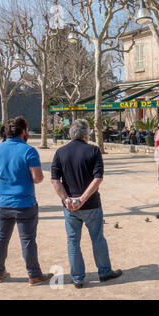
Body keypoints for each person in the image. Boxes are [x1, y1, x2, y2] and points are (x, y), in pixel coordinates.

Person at [51, 119, 122, 289]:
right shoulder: (93, 150)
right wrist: (83, 198)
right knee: (97, 238)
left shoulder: (60, 152)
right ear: (86, 134)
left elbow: (55, 180)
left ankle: (77, 277)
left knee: (73, 240)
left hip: (69, 206)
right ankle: (104, 272)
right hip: (91, 205)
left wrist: (66, 199)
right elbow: (98, 178)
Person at [0, 117, 53, 285]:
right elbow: (37, 178)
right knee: (27, 241)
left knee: (0, 238)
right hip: (25, 204)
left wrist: (9, 177)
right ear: (23, 131)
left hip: (3, 203)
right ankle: (34, 275)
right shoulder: (29, 150)